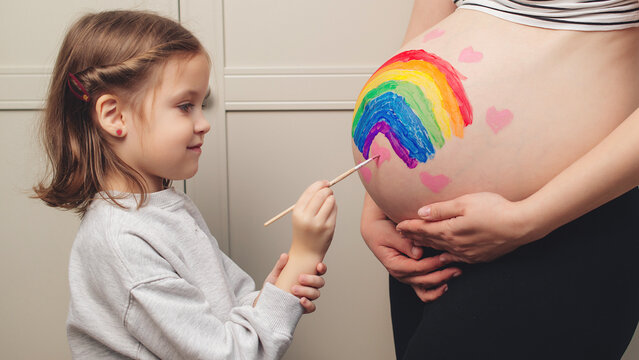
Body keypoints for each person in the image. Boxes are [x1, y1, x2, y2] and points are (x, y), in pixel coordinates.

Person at [33, 10, 337, 359]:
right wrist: (305, 253)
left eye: (201, 104)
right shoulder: (122, 242)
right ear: (114, 116)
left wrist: (278, 290)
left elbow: (228, 306)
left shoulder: (164, 207)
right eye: (184, 106)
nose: (203, 123)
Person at [358, 0, 639, 359]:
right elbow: (422, 37)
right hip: (423, 234)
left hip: (563, 227)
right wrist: (379, 203)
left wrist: (526, 220)